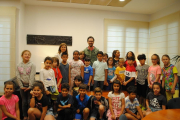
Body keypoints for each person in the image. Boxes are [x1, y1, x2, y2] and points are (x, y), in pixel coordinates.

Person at [16, 50, 36, 120]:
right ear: (22, 56)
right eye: (25, 54)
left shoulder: (32, 64)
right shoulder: (18, 65)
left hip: (30, 86)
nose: (27, 55)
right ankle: (25, 115)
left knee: (29, 101)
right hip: (22, 87)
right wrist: (21, 86)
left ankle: (29, 115)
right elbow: (18, 76)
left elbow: (32, 76)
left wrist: (30, 87)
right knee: (24, 102)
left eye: (28, 55)